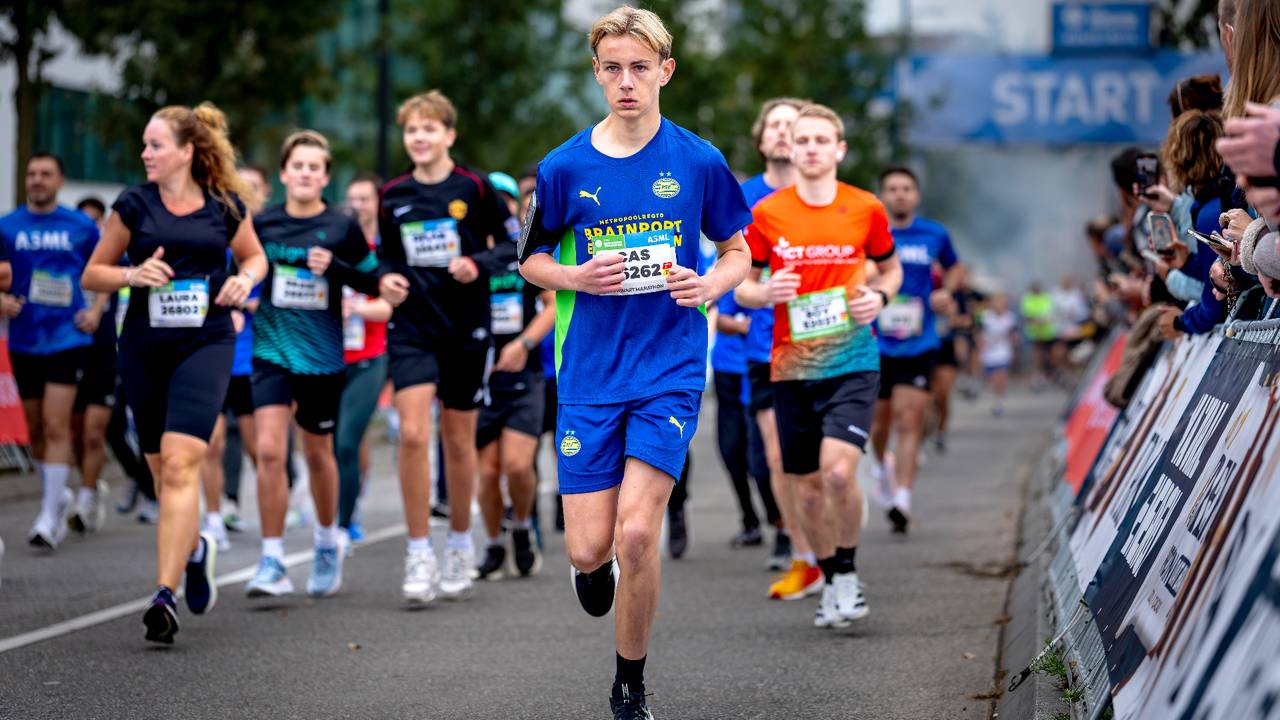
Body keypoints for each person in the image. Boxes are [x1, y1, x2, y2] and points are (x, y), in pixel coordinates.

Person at [518, 7, 751, 717]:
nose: (626, 82)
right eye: (612, 68)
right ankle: (593, 569)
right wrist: (574, 277)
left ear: (665, 73)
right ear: (597, 73)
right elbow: (529, 261)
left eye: (639, 68)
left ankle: (630, 684)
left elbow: (737, 249)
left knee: (639, 533)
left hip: (669, 370)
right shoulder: (563, 168)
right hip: (589, 375)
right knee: (590, 549)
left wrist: (711, 284)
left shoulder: (698, 160)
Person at [82, 102, 267, 644]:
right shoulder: (133, 205)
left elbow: (255, 258)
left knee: (186, 460)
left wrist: (244, 281)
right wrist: (130, 274)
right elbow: (93, 274)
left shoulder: (225, 206)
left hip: (206, 343)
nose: (145, 153)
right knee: (165, 474)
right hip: (143, 347)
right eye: (144, 144)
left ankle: (164, 594)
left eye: (155, 145)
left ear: (187, 151)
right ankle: (196, 549)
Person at [736, 103, 903, 629]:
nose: (809, 148)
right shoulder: (767, 214)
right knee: (806, 486)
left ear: (839, 149)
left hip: (853, 358)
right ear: (790, 148)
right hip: (791, 365)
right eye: (801, 140)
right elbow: (741, 283)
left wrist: (879, 296)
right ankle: (828, 573)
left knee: (836, 471)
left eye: (819, 140)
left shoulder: (866, 208)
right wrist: (764, 293)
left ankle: (849, 574)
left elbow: (891, 269)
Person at [377, 89, 516, 604]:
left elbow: (511, 245)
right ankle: (418, 552)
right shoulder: (393, 195)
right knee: (413, 433)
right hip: (413, 326)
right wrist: (387, 280)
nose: (419, 137)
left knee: (459, 441)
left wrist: (478, 264)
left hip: (466, 328)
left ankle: (459, 542)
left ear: (449, 135)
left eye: (429, 128)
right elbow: (386, 259)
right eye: (412, 130)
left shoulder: (475, 188)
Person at [243, 130, 393, 599]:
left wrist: (337, 268)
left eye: (315, 167)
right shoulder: (261, 224)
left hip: (322, 357)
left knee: (316, 453)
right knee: (269, 450)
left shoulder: (341, 226)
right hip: (270, 351)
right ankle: (271, 560)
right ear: (284, 173)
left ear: (325, 176)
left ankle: (328, 540)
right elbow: (243, 269)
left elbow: (376, 284)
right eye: (298, 166)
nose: (305, 173)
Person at [0, 153, 100, 549]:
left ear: (60, 181)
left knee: (57, 424)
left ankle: (46, 515)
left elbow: (105, 266)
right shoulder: (8, 226)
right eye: (32, 174)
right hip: (25, 338)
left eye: (46, 174)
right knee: (36, 427)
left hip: (67, 338)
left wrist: (96, 308)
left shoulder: (80, 226)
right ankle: (56, 496)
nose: (37, 180)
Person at [740, 97, 818, 593]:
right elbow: (733, 268)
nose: (785, 135)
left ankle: (835, 545)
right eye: (776, 126)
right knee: (776, 457)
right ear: (763, 138)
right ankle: (802, 553)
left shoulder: (832, 198)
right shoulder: (746, 199)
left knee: (826, 466)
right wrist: (758, 293)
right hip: (765, 346)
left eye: (795, 126)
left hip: (828, 347)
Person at [869, 166, 961, 534]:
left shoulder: (934, 234)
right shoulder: (871, 233)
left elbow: (955, 269)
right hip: (875, 344)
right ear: (882, 195)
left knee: (910, 422)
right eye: (892, 188)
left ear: (916, 195)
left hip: (920, 342)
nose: (900, 195)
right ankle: (881, 468)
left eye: (906, 188)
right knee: (879, 424)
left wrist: (946, 292)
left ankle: (903, 498)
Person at [474, 171, 554, 579]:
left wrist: (522, 344)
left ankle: (522, 526)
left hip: (524, 377)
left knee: (519, 466)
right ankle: (492, 543)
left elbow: (554, 306)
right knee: (487, 473)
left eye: (505, 201)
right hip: (480, 378)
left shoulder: (521, 254)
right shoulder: (468, 261)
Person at [336, 172, 392, 545]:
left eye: (365, 199)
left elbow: (388, 308)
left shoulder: (384, 250)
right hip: (329, 356)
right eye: (352, 199)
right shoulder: (335, 243)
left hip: (372, 355)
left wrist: (354, 308)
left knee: (346, 440)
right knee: (337, 444)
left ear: (377, 204)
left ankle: (343, 522)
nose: (358, 206)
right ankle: (342, 506)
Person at [979, 294, 1018, 416]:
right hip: (989, 353)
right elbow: (979, 333)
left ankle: (998, 402)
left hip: (1003, 351)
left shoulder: (1010, 317)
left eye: (1001, 302)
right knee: (992, 379)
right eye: (996, 302)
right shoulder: (985, 317)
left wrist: (1014, 345)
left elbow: (1014, 335)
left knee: (1001, 377)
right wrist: (981, 345)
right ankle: (995, 395)